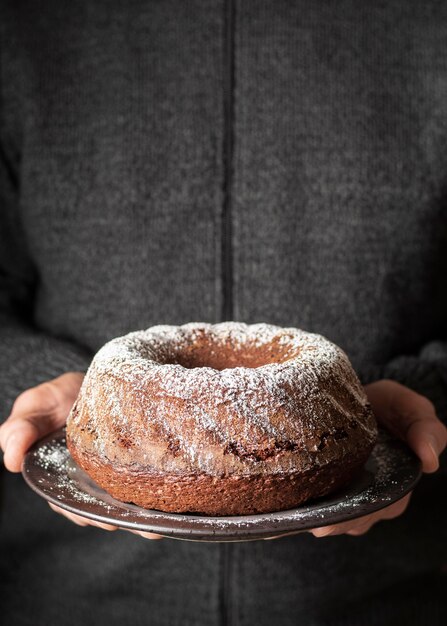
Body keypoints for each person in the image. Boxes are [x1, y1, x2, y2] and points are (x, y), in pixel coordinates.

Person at [1, 1, 446, 624]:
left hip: (389, 596)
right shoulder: (28, 27)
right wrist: (40, 380)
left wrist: (431, 387)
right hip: (71, 594)